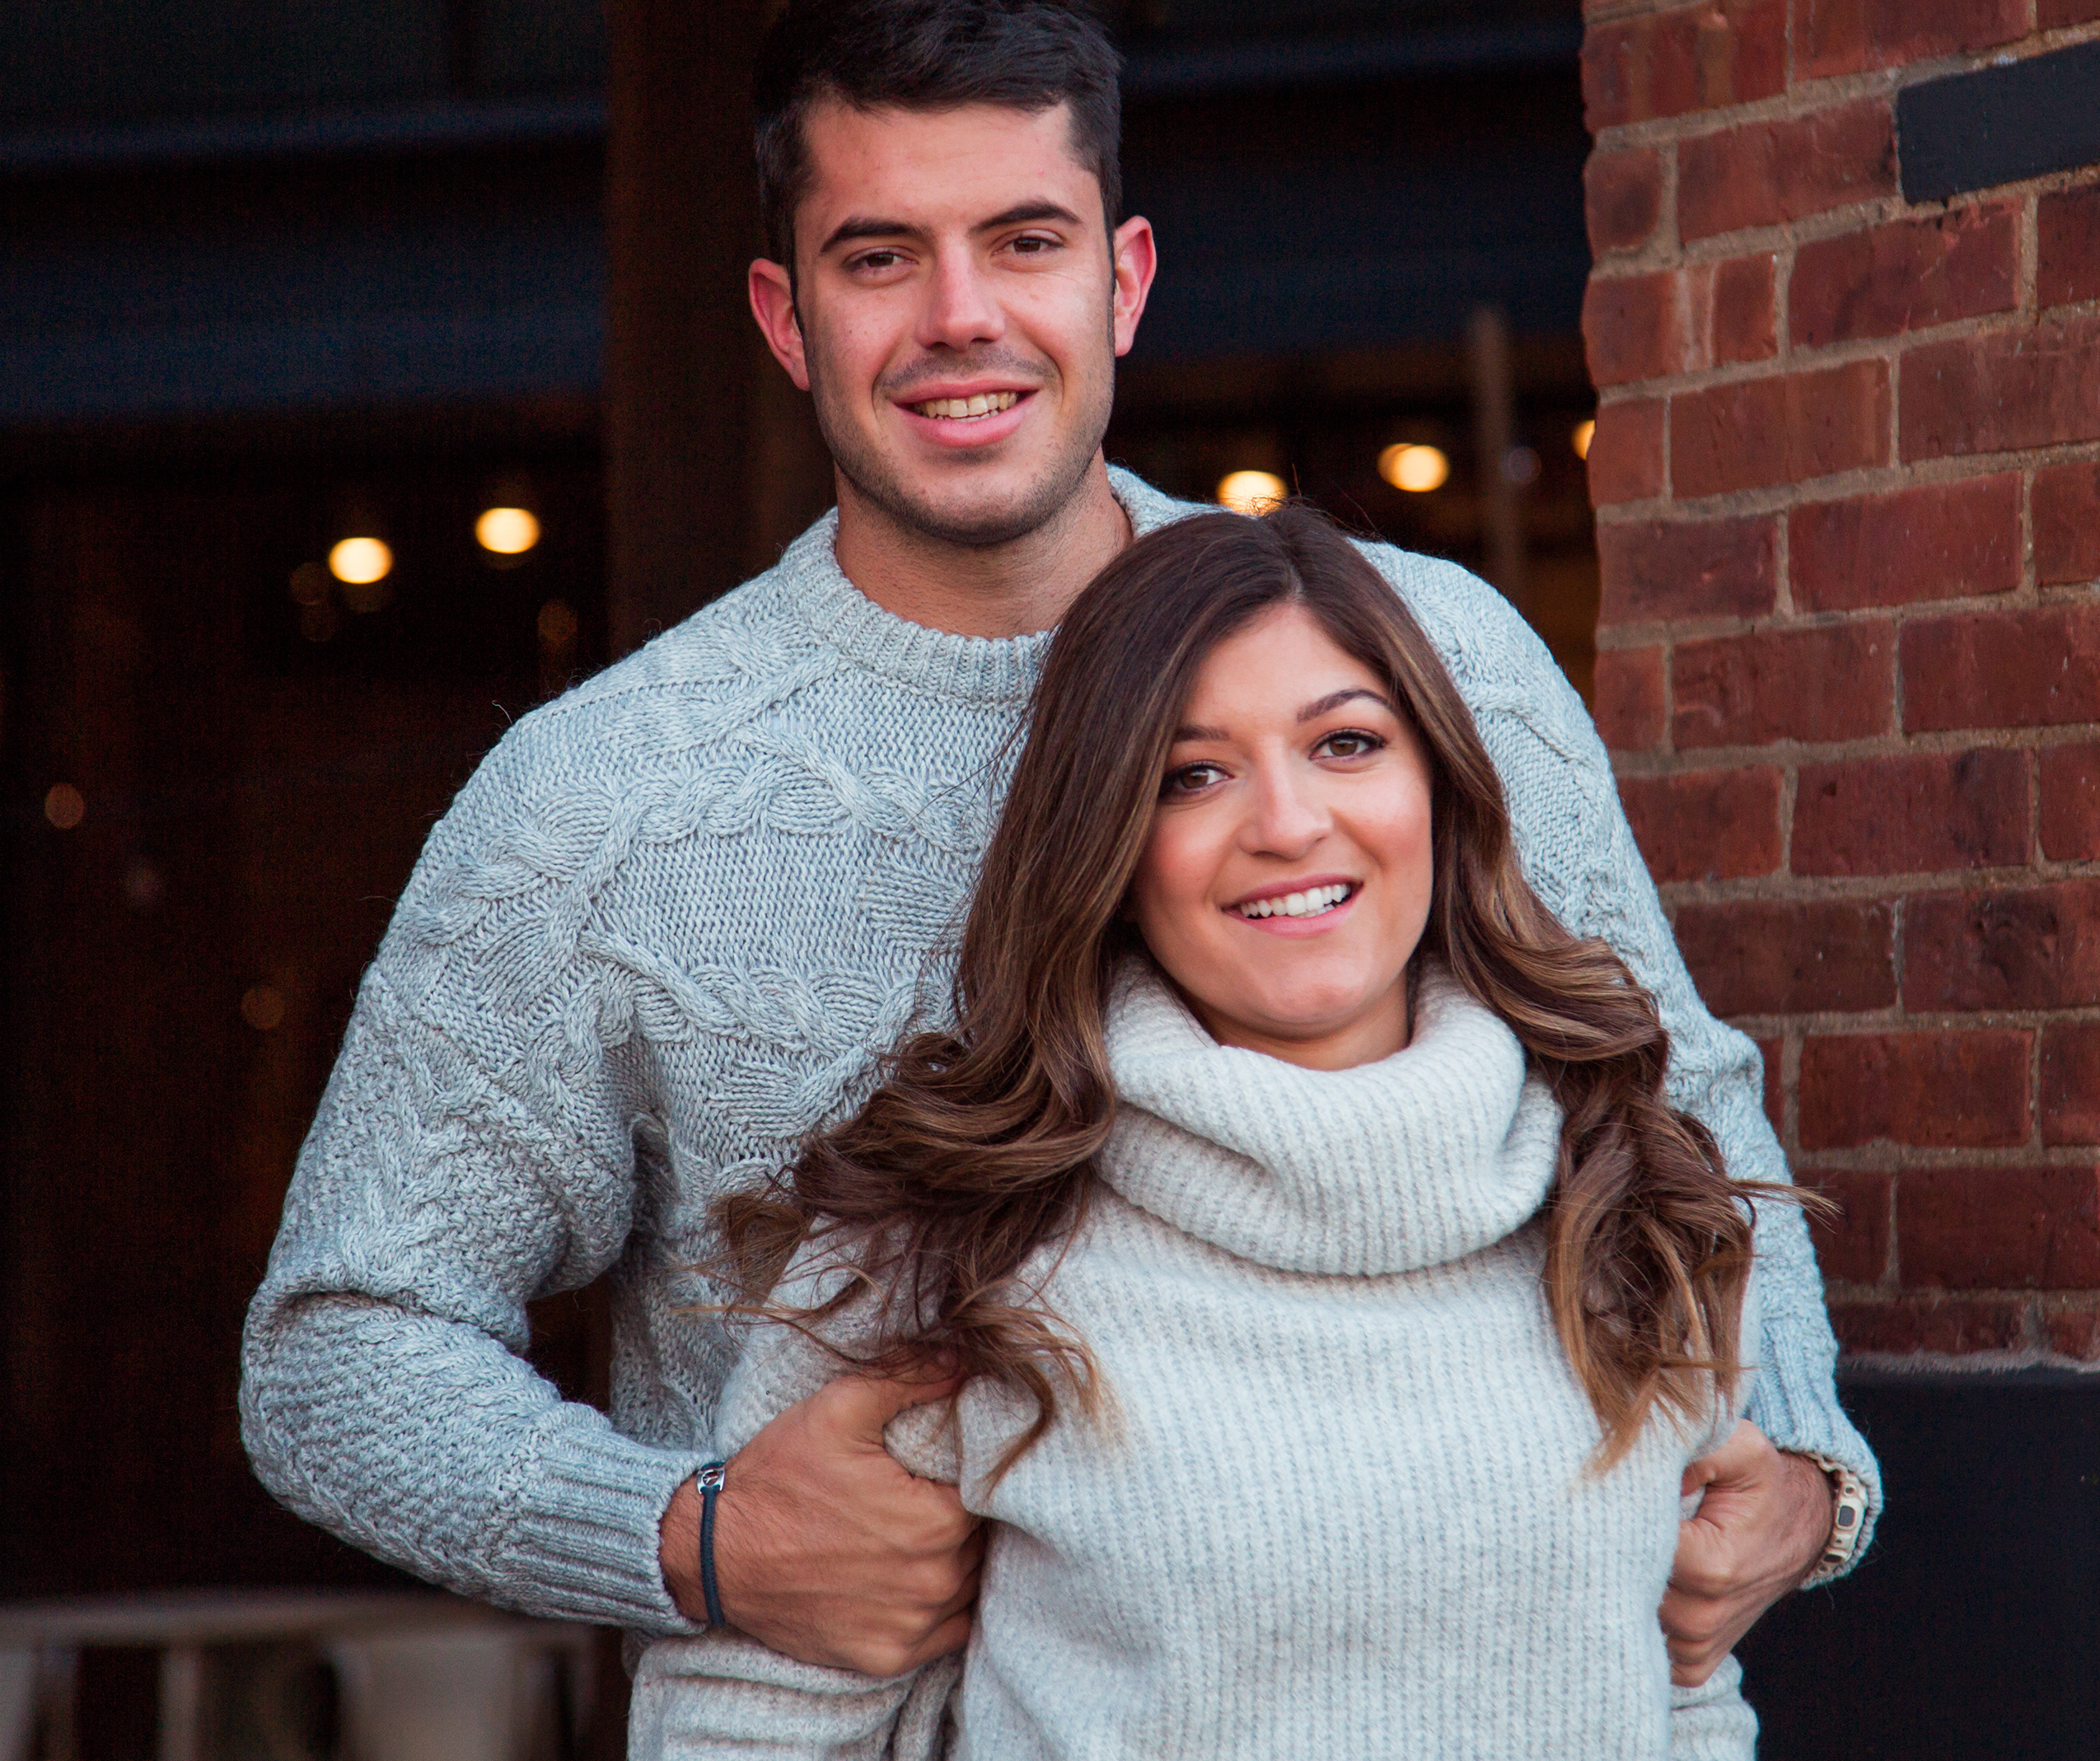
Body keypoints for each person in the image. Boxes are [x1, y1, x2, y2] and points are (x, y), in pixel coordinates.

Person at [241, 0, 1874, 1707]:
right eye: (881, 256)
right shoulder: (604, 800)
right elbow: (339, 1352)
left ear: (1124, 280)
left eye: (1025, 241)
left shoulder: (1422, 661)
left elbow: (1682, 1110)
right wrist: (693, 1538)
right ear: (787, 316)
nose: (961, 315)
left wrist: (1802, 1464)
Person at [634, 502, 1780, 1759]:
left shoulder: (1622, 1196)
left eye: (1346, 744)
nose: (1286, 822)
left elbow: (1682, 1698)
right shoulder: (955, 1241)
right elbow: (744, 1729)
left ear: (1440, 791)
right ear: (1112, 847)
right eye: (1194, 774)